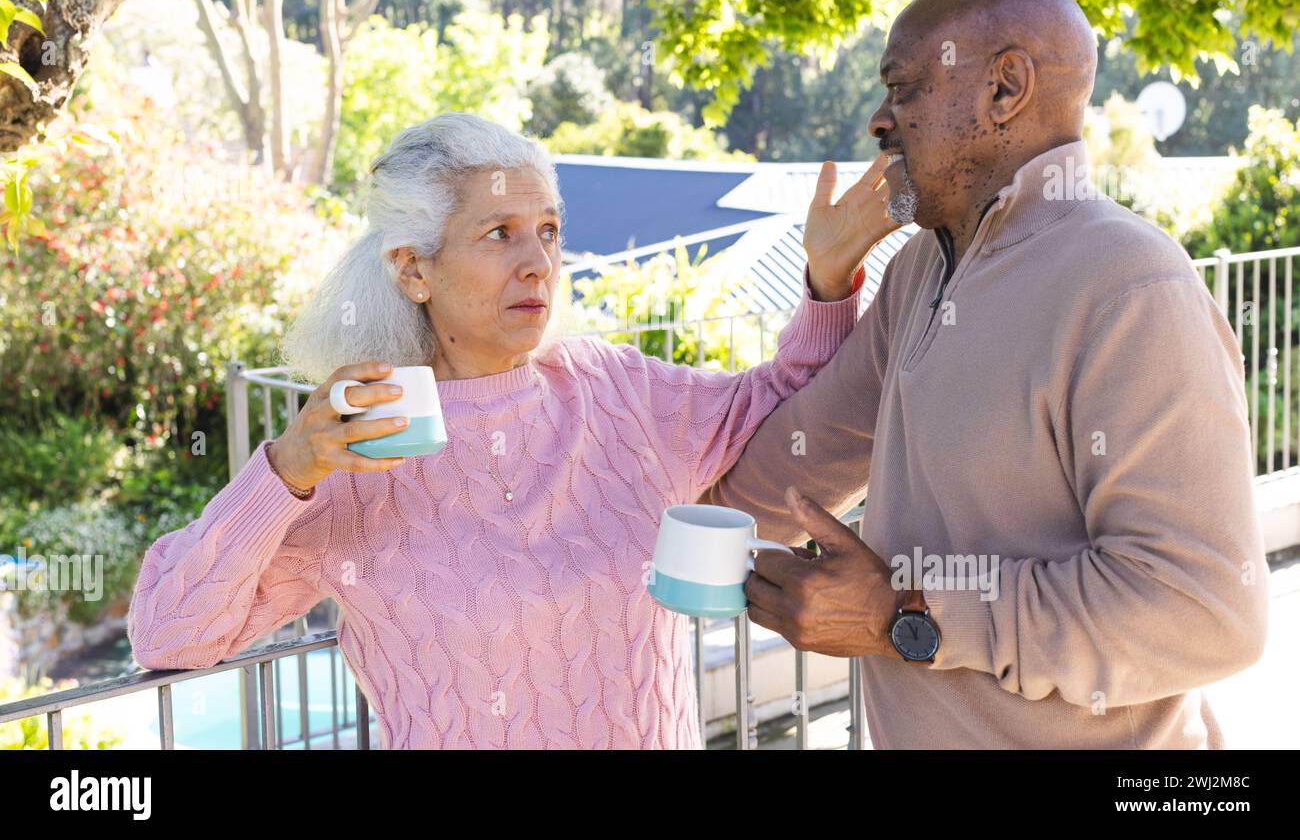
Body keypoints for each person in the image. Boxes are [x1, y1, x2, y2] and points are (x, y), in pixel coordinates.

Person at [126, 112, 899, 748]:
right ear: (413, 270)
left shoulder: (614, 390)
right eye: (499, 232)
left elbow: (788, 407)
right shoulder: (356, 452)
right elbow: (169, 634)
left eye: (550, 230)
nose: (538, 261)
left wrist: (827, 280)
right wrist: (286, 469)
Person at [703, 0, 1271, 748]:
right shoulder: (919, 273)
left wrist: (902, 614)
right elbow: (773, 476)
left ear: (1006, 89)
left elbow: (1204, 613)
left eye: (903, 89)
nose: (877, 120)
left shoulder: (1132, 287)